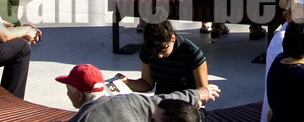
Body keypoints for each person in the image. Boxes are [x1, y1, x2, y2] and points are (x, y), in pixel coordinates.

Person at [57, 63, 207, 122]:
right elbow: (164, 101)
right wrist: (196, 94)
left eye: (68, 90)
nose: (67, 94)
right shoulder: (131, 101)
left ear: (79, 96)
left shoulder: (82, 119)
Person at [128, 19, 212, 96]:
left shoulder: (192, 53)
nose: (159, 56)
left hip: (186, 101)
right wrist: (126, 82)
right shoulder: (147, 49)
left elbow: (203, 92)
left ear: (173, 38)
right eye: (154, 51)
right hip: (161, 100)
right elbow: (147, 83)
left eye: (163, 50)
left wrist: (196, 100)